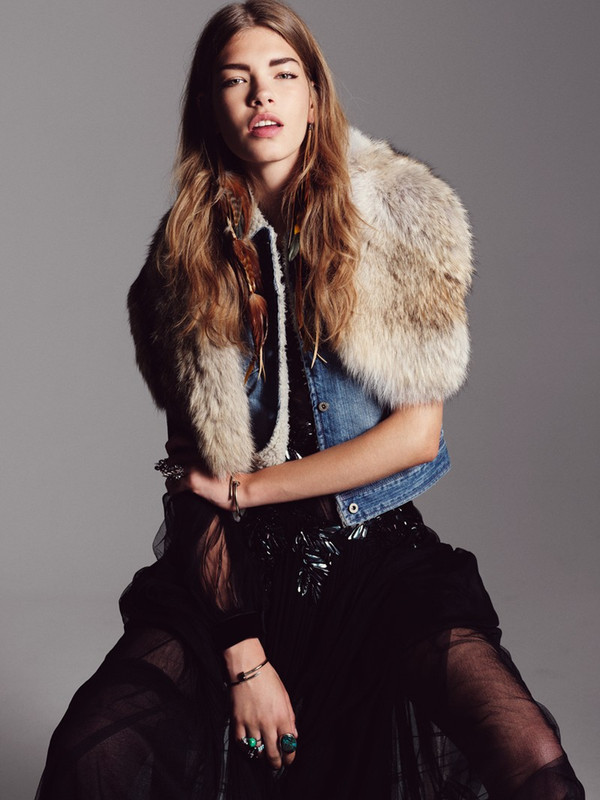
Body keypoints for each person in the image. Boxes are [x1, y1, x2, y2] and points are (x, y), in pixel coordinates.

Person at [36, 2, 584, 798]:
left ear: (314, 97)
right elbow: (193, 483)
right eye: (237, 80)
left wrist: (250, 490)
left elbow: (418, 435)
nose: (262, 95)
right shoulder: (181, 260)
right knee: (96, 749)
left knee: (527, 751)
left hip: (375, 557)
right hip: (231, 572)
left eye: (282, 74)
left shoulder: (403, 217)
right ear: (211, 107)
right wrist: (243, 653)